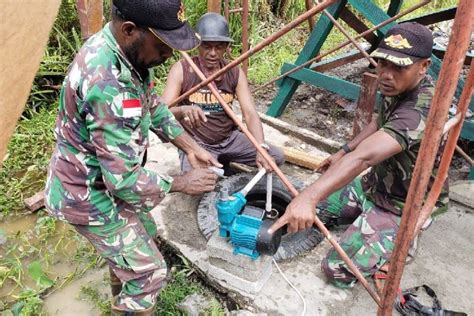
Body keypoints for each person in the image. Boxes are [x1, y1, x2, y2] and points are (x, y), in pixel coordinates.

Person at [44, 1, 222, 314]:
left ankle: (122, 292)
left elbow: (152, 105)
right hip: (86, 194)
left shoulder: (127, 54)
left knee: (145, 237)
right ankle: (130, 297)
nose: (168, 56)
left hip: (104, 181)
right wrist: (182, 182)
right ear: (130, 30)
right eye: (163, 46)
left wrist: (190, 147)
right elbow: (124, 181)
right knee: (148, 273)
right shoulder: (108, 83)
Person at [269, 22, 448, 288]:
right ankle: (366, 218)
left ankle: (402, 237)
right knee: (311, 212)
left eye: (398, 67)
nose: (385, 74)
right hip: (374, 186)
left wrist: (309, 195)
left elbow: (365, 158)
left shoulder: (421, 110)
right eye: (382, 63)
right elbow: (380, 122)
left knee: (336, 269)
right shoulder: (398, 86)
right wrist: (344, 150)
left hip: (402, 205)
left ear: (423, 67)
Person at [161, 12, 284, 174]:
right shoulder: (183, 69)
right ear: (198, 44)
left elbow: (250, 113)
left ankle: (224, 158)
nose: (212, 53)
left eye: (218, 47)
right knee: (200, 178)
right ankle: (214, 161)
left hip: (229, 139)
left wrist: (261, 147)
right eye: (207, 46)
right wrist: (183, 110)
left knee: (275, 157)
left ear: (226, 47)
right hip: (198, 142)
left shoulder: (234, 72)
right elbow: (162, 111)